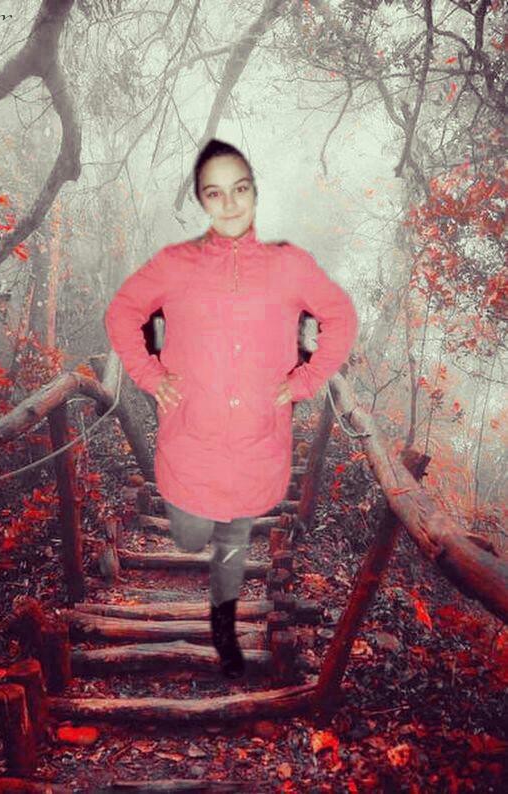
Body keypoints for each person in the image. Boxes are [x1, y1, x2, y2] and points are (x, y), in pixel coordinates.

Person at [104, 138, 359, 678]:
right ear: (202, 200)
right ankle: (190, 531)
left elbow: (341, 317)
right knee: (191, 535)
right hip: (189, 442)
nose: (230, 203)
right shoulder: (176, 264)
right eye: (215, 193)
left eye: (239, 189)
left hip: (255, 445)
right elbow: (122, 312)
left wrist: (305, 380)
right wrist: (150, 374)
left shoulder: (290, 266)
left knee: (231, 541)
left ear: (254, 193)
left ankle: (223, 630)